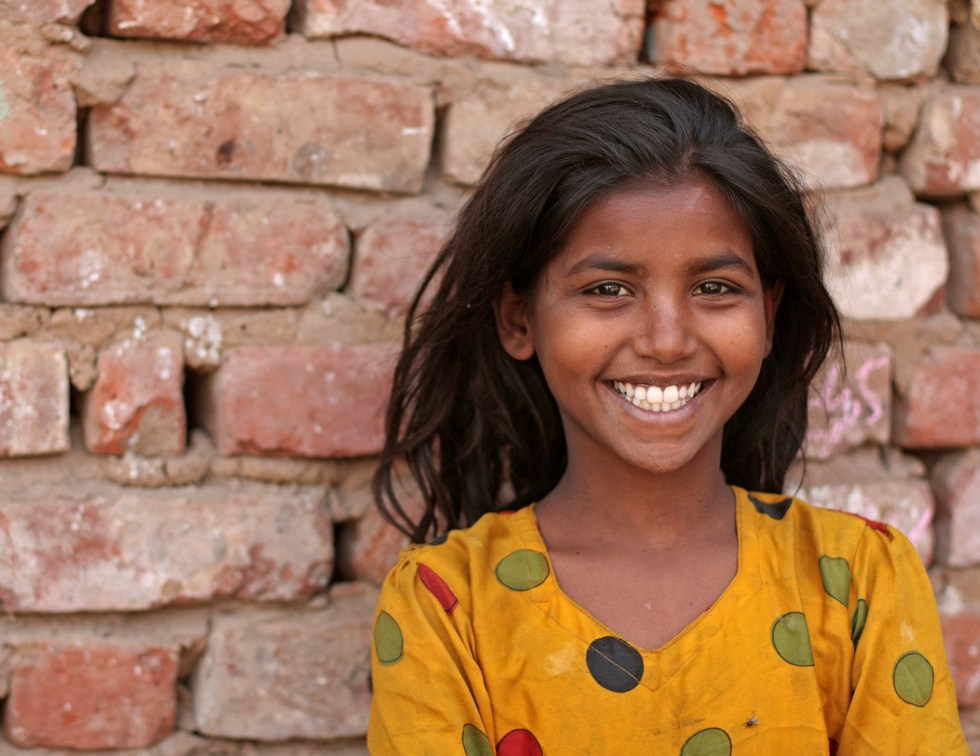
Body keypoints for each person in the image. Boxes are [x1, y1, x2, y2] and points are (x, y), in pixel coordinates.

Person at [367, 77, 967, 754]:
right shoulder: (447, 607)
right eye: (608, 290)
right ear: (518, 319)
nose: (667, 339)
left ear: (767, 316)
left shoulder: (860, 582)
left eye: (714, 288)